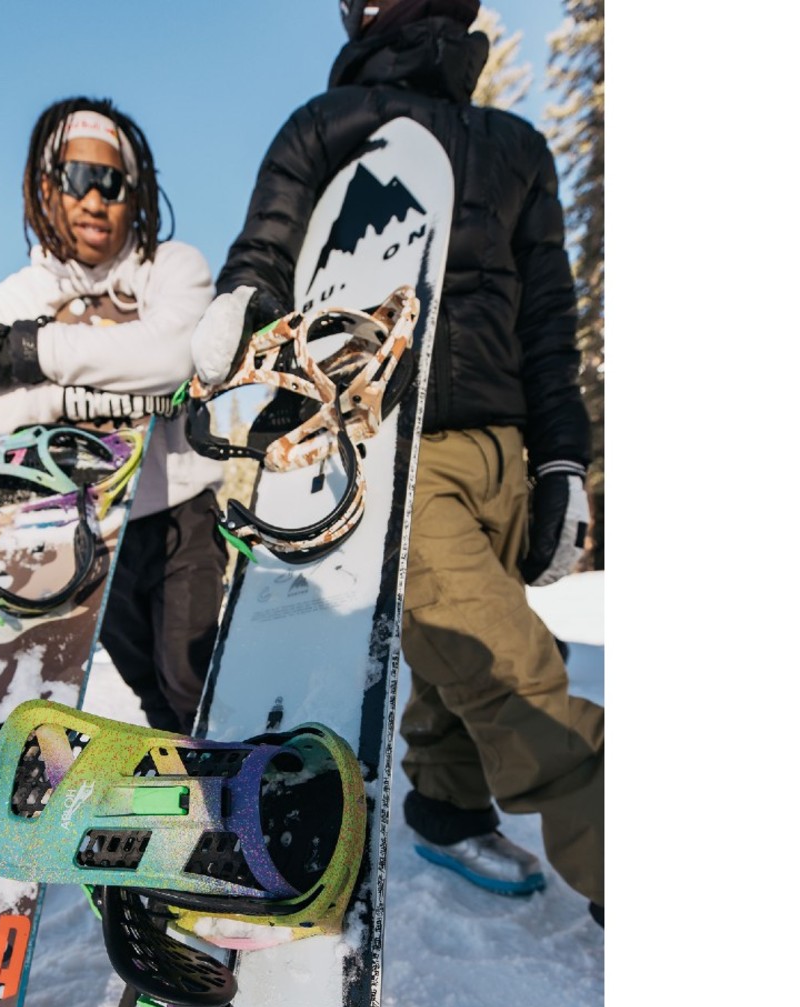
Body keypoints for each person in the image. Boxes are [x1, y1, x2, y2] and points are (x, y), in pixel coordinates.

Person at [192, 0, 603, 925]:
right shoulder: (327, 125)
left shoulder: (516, 142)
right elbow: (271, 248)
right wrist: (243, 304)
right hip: (393, 443)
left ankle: (448, 812)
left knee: (460, 658)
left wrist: (560, 465)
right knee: (514, 672)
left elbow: (547, 321)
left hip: (505, 447)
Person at [0, 97, 227, 735]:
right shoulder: (17, 294)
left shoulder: (173, 268)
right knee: (148, 686)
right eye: (76, 179)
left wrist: (29, 352)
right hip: (81, 523)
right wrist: (72, 394)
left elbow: (172, 356)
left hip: (180, 513)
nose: (95, 199)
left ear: (135, 194)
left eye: (111, 182)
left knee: (191, 679)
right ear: (45, 189)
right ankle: (182, 799)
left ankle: (226, 803)